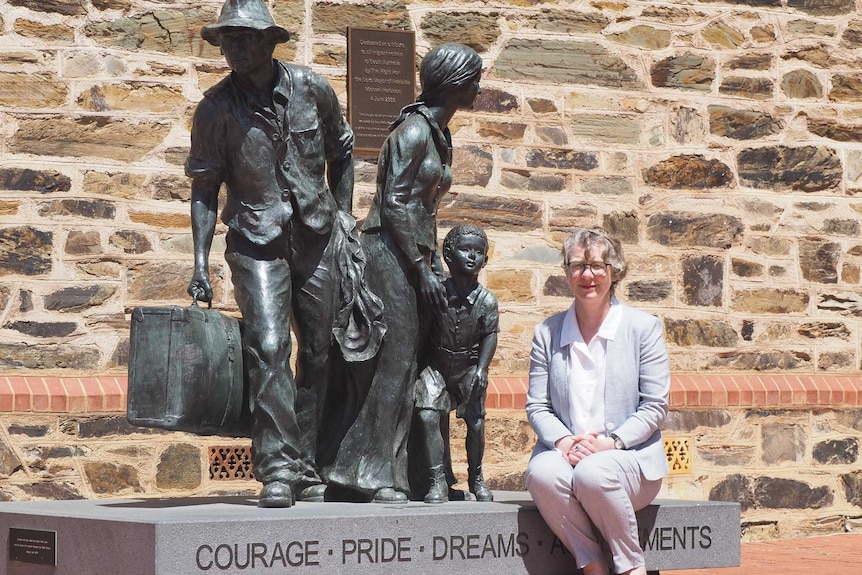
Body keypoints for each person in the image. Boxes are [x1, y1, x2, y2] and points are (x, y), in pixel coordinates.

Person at [185, 0, 356, 508]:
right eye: (227, 39)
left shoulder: (312, 90)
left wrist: (343, 216)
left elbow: (341, 151)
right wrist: (199, 262)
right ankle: (278, 468)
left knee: (323, 351)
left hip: (317, 235)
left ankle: (310, 462)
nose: (235, 47)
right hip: (255, 239)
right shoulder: (215, 109)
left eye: (245, 38)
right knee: (269, 344)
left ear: (270, 41)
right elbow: (204, 188)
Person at [318, 44, 483, 504]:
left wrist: (430, 261)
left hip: (414, 252)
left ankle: (412, 474)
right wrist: (418, 265)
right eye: (474, 78)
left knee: (412, 361)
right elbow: (393, 204)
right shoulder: (412, 131)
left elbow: (422, 210)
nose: (479, 88)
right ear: (454, 83)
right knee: (393, 362)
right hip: (389, 253)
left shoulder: (438, 133)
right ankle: (368, 475)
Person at [524, 226, 670, 575]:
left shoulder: (642, 328)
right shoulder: (547, 333)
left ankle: (631, 567)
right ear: (567, 272)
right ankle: (593, 565)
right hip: (567, 452)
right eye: (577, 266)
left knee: (592, 472)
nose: (586, 275)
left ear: (613, 271)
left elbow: (654, 406)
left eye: (597, 266)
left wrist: (610, 442)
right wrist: (562, 440)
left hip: (629, 459)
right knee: (541, 473)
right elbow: (537, 406)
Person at [415, 224, 498, 504]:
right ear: (449, 255)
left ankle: (476, 477)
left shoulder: (486, 300)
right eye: (465, 250)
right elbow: (422, 331)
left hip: (468, 368)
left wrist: (482, 368)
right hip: (436, 365)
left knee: (475, 422)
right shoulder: (436, 293)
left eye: (479, 252)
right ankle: (436, 480)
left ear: (485, 260)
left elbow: (489, 335)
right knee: (428, 414)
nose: (472, 257)